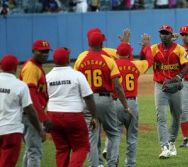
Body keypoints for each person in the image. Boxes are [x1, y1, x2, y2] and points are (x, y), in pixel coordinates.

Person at [74, 31, 132, 166]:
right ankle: (112, 164)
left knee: (92, 138)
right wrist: (125, 106)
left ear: (89, 43)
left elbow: (75, 83)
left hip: (87, 101)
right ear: (101, 43)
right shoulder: (108, 60)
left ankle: (95, 165)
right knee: (113, 133)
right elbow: (117, 86)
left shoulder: (80, 59)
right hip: (105, 100)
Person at [103, 35, 153, 167]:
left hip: (114, 104)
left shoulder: (110, 65)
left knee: (114, 136)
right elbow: (150, 60)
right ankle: (130, 164)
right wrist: (147, 47)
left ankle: (111, 164)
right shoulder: (135, 65)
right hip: (131, 104)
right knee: (132, 137)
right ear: (130, 53)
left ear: (117, 53)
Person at [46, 47, 98, 166]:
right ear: (68, 59)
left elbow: (43, 98)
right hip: (73, 115)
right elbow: (88, 97)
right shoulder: (76, 75)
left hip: (53, 115)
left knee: (61, 149)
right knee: (81, 147)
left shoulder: (47, 77)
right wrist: (95, 116)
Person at [151, 25, 188, 159]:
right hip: (160, 86)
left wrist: (179, 77)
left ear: (171, 35)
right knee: (161, 117)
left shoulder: (179, 49)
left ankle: (172, 142)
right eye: (162, 33)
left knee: (176, 116)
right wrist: (144, 48)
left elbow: (187, 65)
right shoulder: (154, 49)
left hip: (175, 87)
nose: (164, 35)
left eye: (166, 33)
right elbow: (144, 59)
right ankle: (164, 147)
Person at [0, 54, 46, 167]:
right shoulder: (20, 85)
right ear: (15, 68)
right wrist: (40, 129)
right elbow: (30, 110)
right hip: (11, 131)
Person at [20, 39, 53, 167]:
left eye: (47, 52)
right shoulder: (31, 68)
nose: (45, 54)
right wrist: (44, 118)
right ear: (34, 51)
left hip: (30, 113)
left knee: (30, 151)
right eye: (41, 52)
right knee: (34, 152)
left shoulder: (36, 67)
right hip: (30, 114)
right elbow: (31, 97)